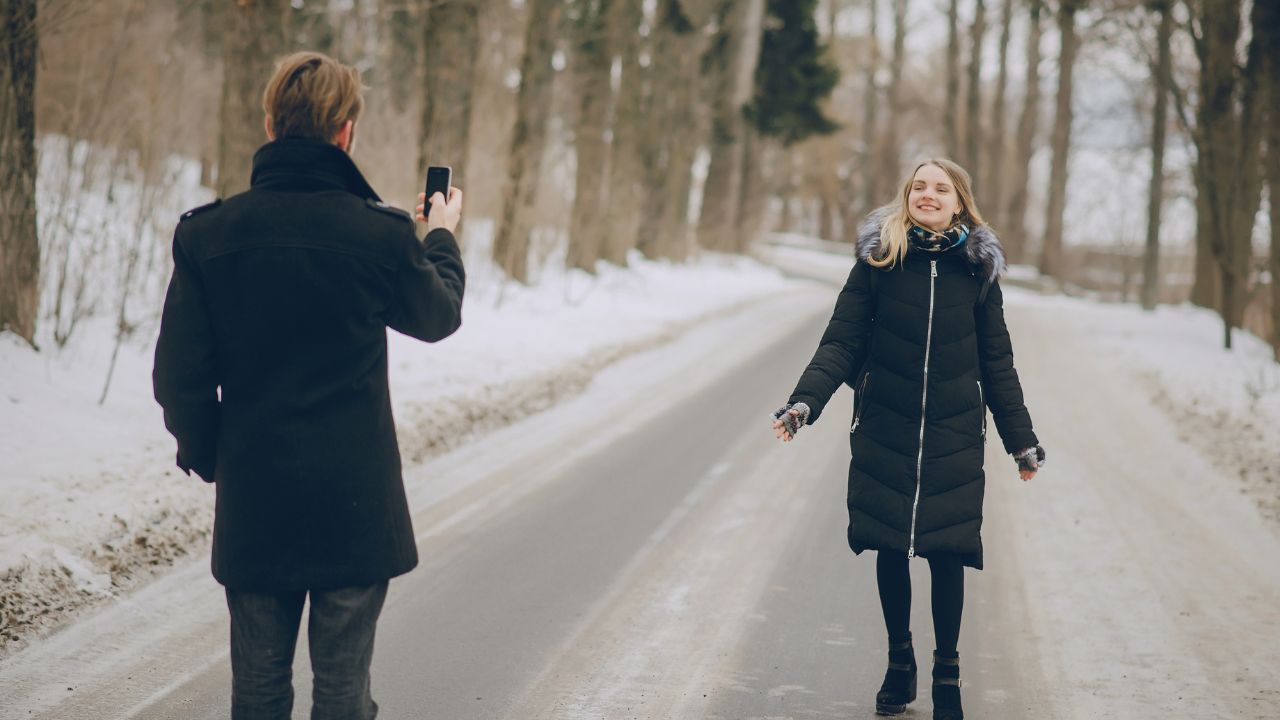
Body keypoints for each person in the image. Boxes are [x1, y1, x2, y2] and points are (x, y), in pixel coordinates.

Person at [152, 51, 465, 720]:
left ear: (270, 124)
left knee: (259, 693)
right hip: (355, 507)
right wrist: (439, 236)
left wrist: (217, 458)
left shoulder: (209, 236)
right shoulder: (379, 235)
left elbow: (178, 378)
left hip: (257, 501)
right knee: (343, 695)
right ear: (346, 131)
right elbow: (438, 316)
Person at [771, 159, 1045, 720]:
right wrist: (805, 403)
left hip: (954, 427)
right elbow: (840, 343)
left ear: (959, 203)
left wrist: (1021, 440)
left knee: (948, 549)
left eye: (941, 188)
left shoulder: (977, 272)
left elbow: (997, 362)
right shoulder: (879, 261)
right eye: (919, 186)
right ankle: (900, 663)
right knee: (890, 542)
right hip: (886, 421)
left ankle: (948, 674)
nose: (928, 194)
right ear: (906, 197)